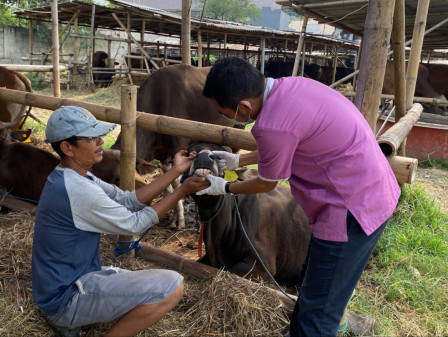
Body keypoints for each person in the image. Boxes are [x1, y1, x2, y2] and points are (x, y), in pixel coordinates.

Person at [197, 57, 401, 337]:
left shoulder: (272, 126)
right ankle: (341, 319)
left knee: (316, 314)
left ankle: (328, 323)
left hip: (351, 208)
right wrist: (239, 160)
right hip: (372, 188)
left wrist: (225, 187)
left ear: (244, 106)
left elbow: (267, 183)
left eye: (225, 113)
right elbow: (286, 144)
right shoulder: (290, 88)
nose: (227, 119)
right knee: (317, 284)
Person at [32, 106, 209, 337]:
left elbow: (128, 200)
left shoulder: (73, 175)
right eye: (91, 137)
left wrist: (175, 172)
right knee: (172, 285)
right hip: (65, 298)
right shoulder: (75, 188)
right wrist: (181, 191)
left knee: (141, 280)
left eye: (99, 134)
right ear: (67, 148)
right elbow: (134, 224)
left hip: (71, 281)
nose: (100, 141)